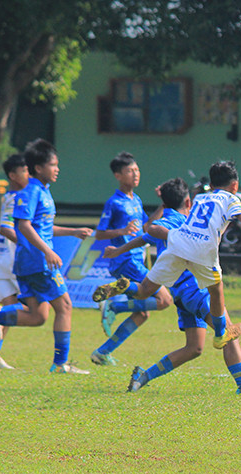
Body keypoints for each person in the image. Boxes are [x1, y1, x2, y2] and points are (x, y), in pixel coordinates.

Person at [110, 160, 241, 351]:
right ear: (235, 186)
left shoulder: (200, 198)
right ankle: (220, 335)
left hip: (180, 240)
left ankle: (123, 286)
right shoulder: (231, 199)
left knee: (144, 290)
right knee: (216, 290)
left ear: (212, 185)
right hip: (202, 249)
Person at [0, 138, 93, 373]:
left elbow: (42, 227)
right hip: (37, 261)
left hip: (30, 260)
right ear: (38, 168)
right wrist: (48, 250)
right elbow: (23, 225)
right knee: (64, 306)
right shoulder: (31, 192)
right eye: (53, 165)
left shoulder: (43, 191)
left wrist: (72, 232)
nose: (57, 169)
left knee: (37, 317)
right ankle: (60, 364)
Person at [88, 152, 171, 366]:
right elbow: (99, 233)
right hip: (125, 260)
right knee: (164, 300)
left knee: (142, 313)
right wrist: (121, 231)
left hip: (136, 259)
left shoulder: (137, 200)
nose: (135, 174)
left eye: (136, 170)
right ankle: (113, 305)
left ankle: (102, 352)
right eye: (129, 171)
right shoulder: (113, 203)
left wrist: (164, 204)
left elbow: (146, 226)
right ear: (118, 175)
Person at [0, 153, 30, 370]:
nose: (28, 174)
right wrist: (30, 245)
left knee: (11, 308)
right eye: (24, 171)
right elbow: (6, 228)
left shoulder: (9, 196)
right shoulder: (18, 198)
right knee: (37, 304)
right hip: (12, 257)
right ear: (12, 175)